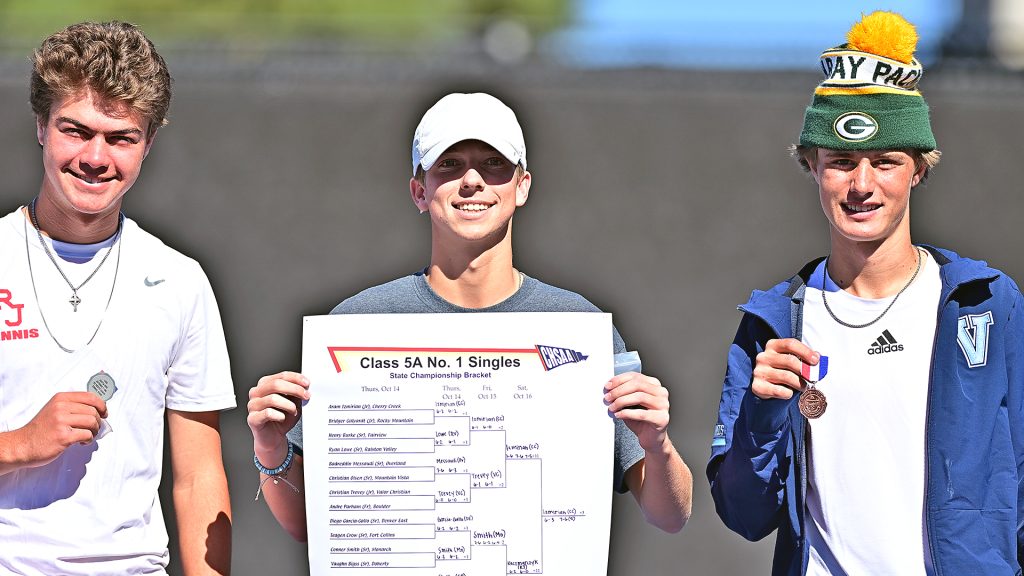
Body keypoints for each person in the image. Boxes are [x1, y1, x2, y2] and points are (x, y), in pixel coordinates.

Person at [247, 92, 692, 541]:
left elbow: (671, 515)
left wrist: (656, 445)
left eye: (495, 163)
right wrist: (269, 446)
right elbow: (306, 525)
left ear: (522, 187)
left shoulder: (579, 325)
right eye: (450, 164)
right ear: (420, 191)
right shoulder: (355, 326)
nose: (472, 180)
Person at [707, 11, 1023, 576]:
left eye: (885, 162)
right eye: (842, 163)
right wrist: (761, 414)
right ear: (811, 165)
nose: (861, 185)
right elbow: (744, 515)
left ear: (918, 170)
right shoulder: (774, 323)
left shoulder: (987, 305)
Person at [0, 22, 235, 575]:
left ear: (148, 143)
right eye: (75, 130)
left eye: (121, 137)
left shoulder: (179, 280)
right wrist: (18, 443)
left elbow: (198, 476)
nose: (95, 157)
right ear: (40, 126)